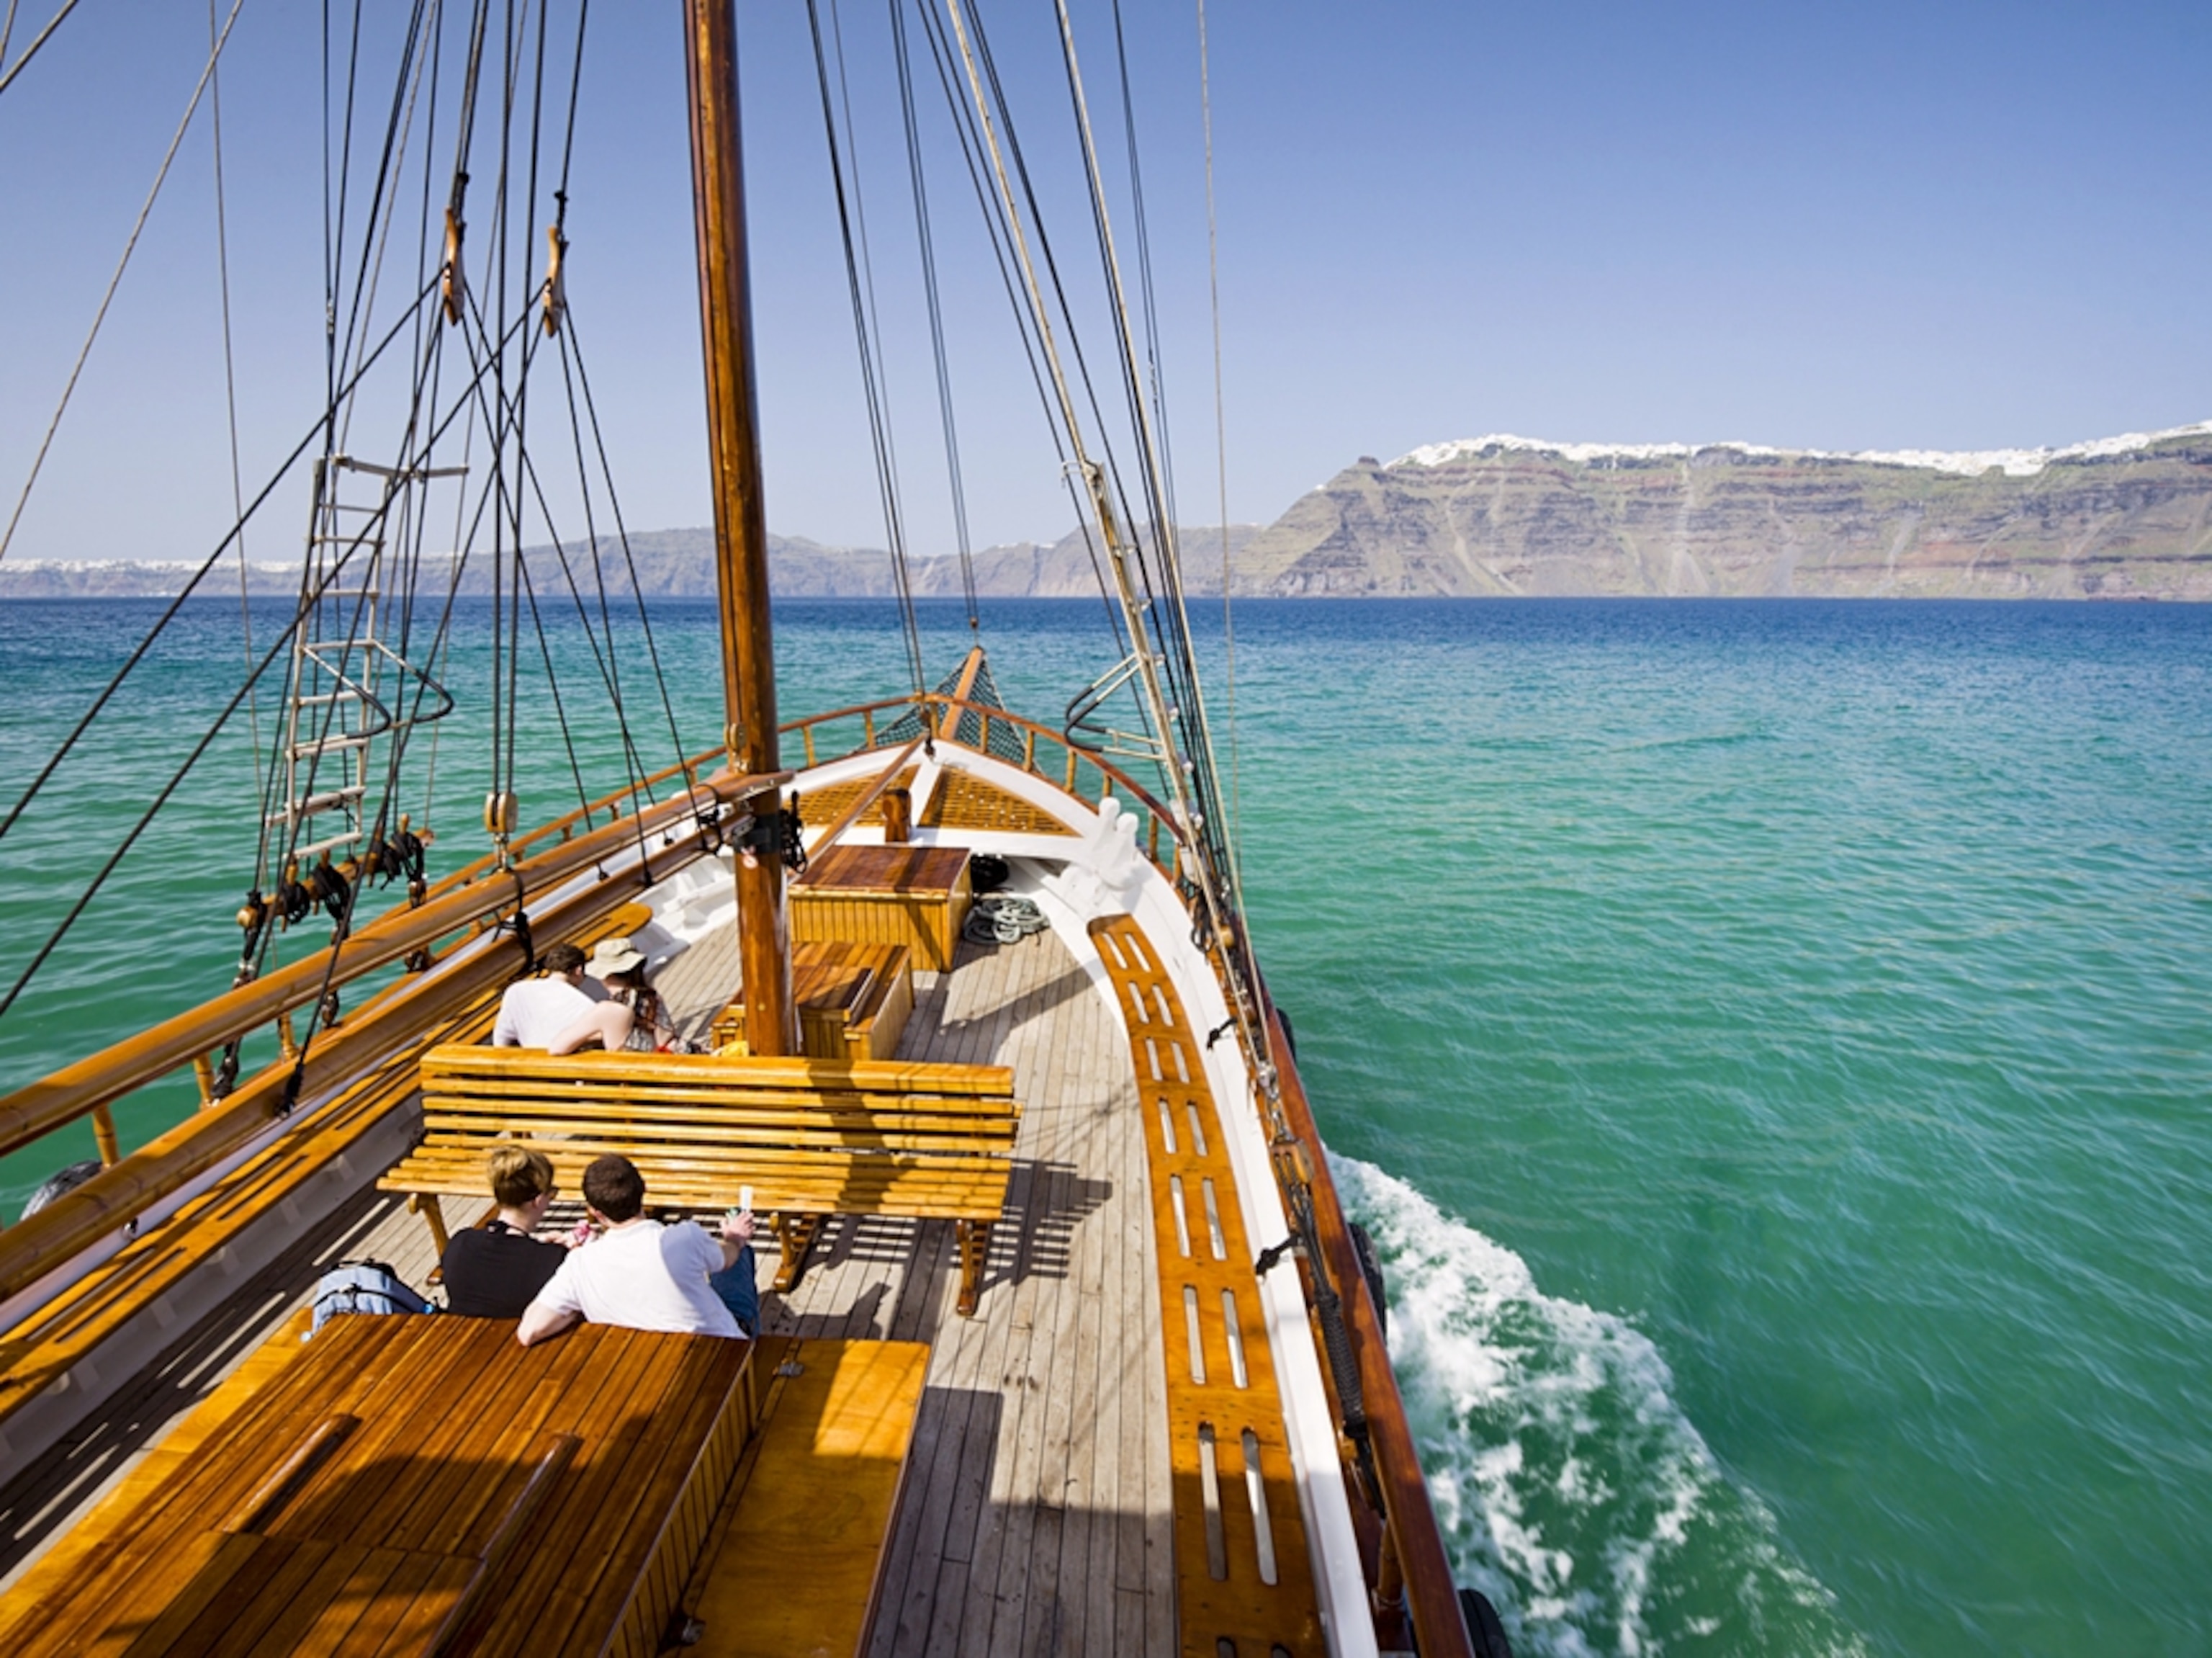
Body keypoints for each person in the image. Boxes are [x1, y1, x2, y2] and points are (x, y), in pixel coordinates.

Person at [516, 1153, 759, 1345]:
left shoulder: (580, 1264)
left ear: (595, 1212)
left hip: (645, 1362)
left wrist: (577, 1304)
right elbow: (727, 1259)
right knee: (740, 1257)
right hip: (722, 1349)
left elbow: (528, 1332)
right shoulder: (683, 1238)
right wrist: (735, 1238)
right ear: (643, 1190)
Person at [440, 1145, 571, 1318]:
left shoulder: (461, 1243)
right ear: (537, 1200)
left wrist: (539, 1246)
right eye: (551, 1193)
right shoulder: (553, 1262)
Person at [492, 941, 634, 1054]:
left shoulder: (517, 990)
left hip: (529, 1064)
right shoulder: (584, 1005)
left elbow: (502, 1038)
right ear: (578, 970)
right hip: (564, 1070)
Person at [584, 935, 693, 1052]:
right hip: (679, 1051)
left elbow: (562, 1046)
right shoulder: (650, 994)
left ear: (604, 975)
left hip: (656, 1063)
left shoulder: (614, 1009)